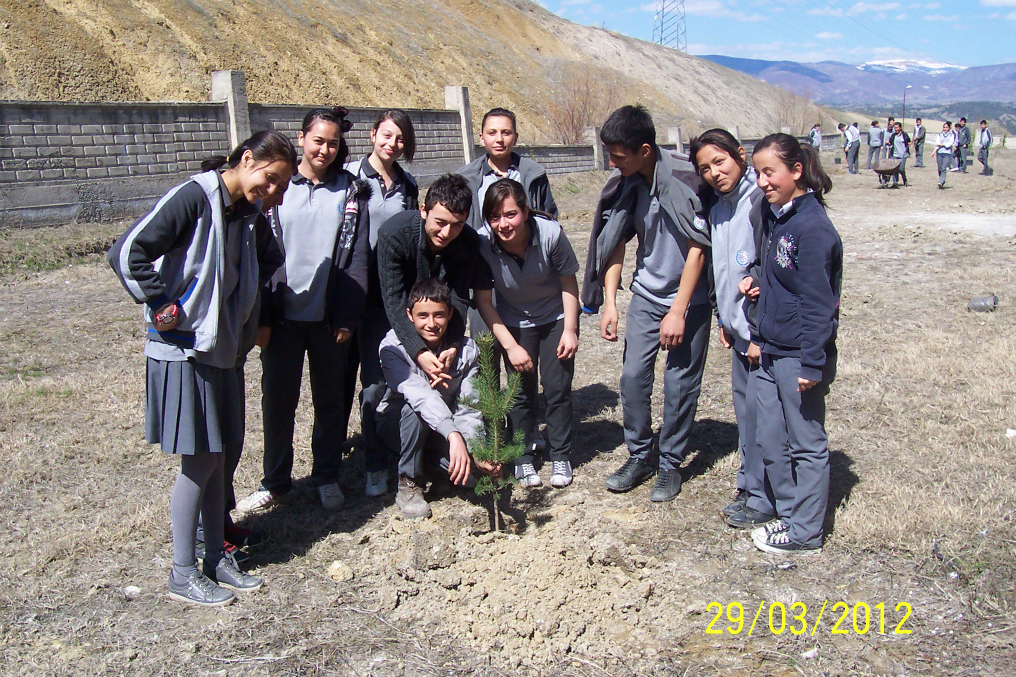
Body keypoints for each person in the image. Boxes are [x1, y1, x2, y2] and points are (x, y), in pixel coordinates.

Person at [107, 130, 296, 606]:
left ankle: (216, 557)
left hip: (223, 351)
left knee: (218, 458)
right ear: (247, 158)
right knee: (200, 462)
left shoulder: (248, 214)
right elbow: (127, 252)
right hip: (185, 349)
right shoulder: (194, 197)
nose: (271, 192)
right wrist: (163, 302)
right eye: (269, 179)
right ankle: (181, 572)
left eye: (281, 187)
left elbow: (266, 263)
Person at [237, 107, 370, 515]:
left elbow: (356, 259)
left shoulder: (351, 191)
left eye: (332, 142)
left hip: (328, 320)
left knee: (331, 401)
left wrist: (347, 316)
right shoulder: (275, 185)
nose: (325, 149)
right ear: (301, 138)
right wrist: (260, 317)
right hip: (281, 320)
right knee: (278, 402)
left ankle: (326, 475)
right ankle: (275, 481)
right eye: (318, 140)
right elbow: (255, 257)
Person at [581, 104, 712, 503]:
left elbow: (698, 250)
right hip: (647, 297)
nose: (612, 162)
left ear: (645, 149)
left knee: (679, 384)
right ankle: (640, 454)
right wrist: (610, 303)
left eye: (619, 156)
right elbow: (617, 242)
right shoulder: (628, 184)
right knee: (633, 380)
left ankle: (671, 462)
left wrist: (678, 310)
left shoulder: (688, 181)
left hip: (688, 304)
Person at [741, 133, 842, 555]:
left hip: (799, 354)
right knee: (768, 436)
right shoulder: (774, 215)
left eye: (770, 172)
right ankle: (789, 513)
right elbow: (776, 273)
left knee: (806, 444)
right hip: (769, 347)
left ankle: (805, 533)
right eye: (757, 173)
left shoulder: (813, 227)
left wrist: (812, 365)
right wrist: (756, 281)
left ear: (796, 171)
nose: (762, 181)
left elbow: (820, 304)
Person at [688, 129, 773, 528]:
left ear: (740, 155)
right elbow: (723, 270)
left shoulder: (760, 203)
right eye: (705, 168)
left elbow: (769, 273)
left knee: (765, 417)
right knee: (746, 412)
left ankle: (765, 494)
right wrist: (725, 316)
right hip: (738, 329)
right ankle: (751, 483)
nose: (714, 173)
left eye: (719, 162)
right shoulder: (719, 208)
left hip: (762, 333)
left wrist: (756, 332)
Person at [473, 178, 580, 489]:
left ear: (526, 211)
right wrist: (510, 346)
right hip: (514, 320)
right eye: (494, 217)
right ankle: (522, 456)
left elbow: (568, 284)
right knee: (520, 391)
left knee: (557, 387)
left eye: (510, 215)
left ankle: (560, 453)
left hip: (555, 316)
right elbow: (483, 300)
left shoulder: (550, 234)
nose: (503, 224)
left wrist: (570, 330)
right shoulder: (483, 243)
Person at [368, 279, 502, 519]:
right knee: (414, 411)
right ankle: (409, 481)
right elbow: (421, 397)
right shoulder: (392, 348)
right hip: (399, 427)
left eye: (439, 315)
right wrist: (453, 435)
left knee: (470, 478)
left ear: (451, 314)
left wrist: (474, 449)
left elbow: (468, 406)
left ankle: (432, 467)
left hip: (443, 433)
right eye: (423, 316)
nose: (431, 324)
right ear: (409, 315)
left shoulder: (467, 351)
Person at [344, 109, 420, 497]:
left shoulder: (407, 185)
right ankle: (365, 462)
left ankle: (387, 455)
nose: (392, 144)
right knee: (357, 385)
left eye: (400, 139)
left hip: (390, 297)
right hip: (354, 296)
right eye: (387, 135)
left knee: (387, 381)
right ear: (373, 134)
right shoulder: (352, 179)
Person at [372, 173, 493, 393]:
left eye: (457, 225)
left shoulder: (468, 241)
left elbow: (459, 297)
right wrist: (419, 351)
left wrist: (453, 344)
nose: (447, 233)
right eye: (440, 222)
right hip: (382, 307)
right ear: (423, 211)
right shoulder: (395, 234)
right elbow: (394, 300)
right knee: (379, 385)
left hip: (432, 312)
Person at [457, 108, 558, 231]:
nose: (499, 139)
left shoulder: (534, 174)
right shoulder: (464, 179)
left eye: (506, 133)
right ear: (482, 138)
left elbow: (550, 219)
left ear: (515, 138)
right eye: (492, 133)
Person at [887, 121, 910, 188]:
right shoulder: (893, 135)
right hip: (895, 155)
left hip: (903, 155)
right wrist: (888, 143)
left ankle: (904, 179)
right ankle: (895, 183)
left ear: (900, 128)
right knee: (894, 169)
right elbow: (891, 143)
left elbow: (908, 141)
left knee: (901, 169)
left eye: (897, 127)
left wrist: (909, 144)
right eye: (895, 128)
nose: (896, 129)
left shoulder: (904, 135)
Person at [934, 121, 957, 189]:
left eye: (946, 127)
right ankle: (942, 180)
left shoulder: (951, 135)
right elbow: (937, 143)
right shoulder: (940, 135)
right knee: (939, 168)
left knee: (944, 168)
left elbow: (950, 143)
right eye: (944, 127)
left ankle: (941, 181)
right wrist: (934, 151)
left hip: (947, 153)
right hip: (939, 153)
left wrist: (942, 144)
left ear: (949, 128)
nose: (945, 128)